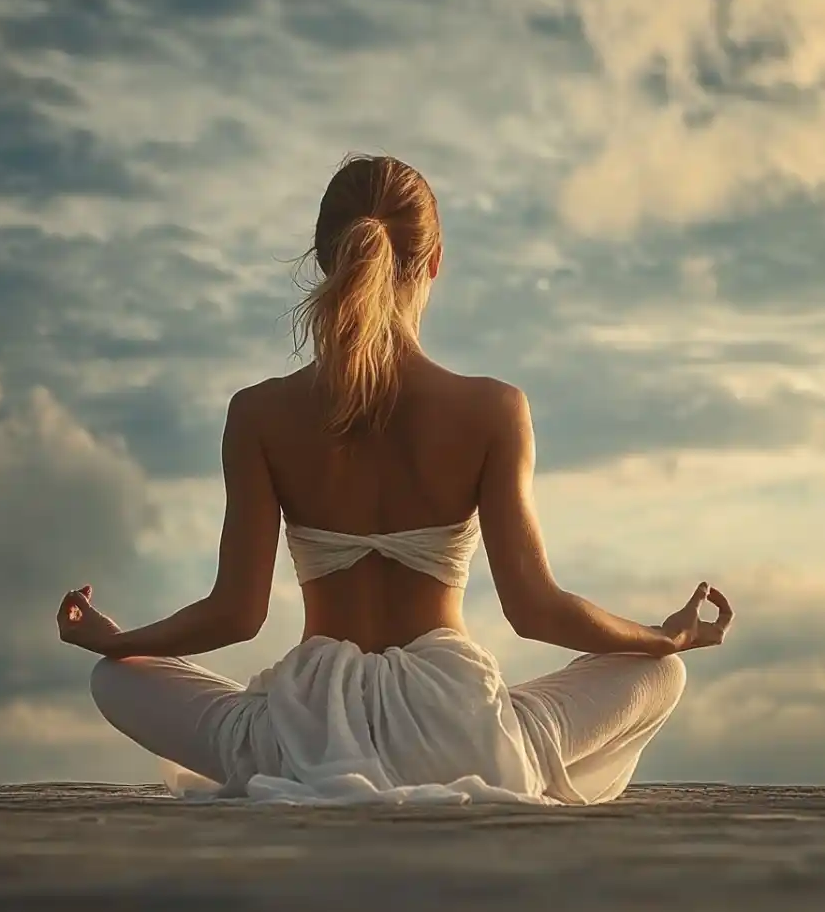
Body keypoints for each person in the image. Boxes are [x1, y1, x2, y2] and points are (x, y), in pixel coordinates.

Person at [57, 154, 734, 805]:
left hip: (303, 738)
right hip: (467, 734)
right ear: (435, 261)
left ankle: (256, 741)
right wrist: (664, 637)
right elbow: (535, 610)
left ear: (326, 259)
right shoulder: (493, 409)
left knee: (116, 680)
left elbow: (239, 613)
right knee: (660, 674)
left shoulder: (259, 413)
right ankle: (525, 744)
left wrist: (121, 643)